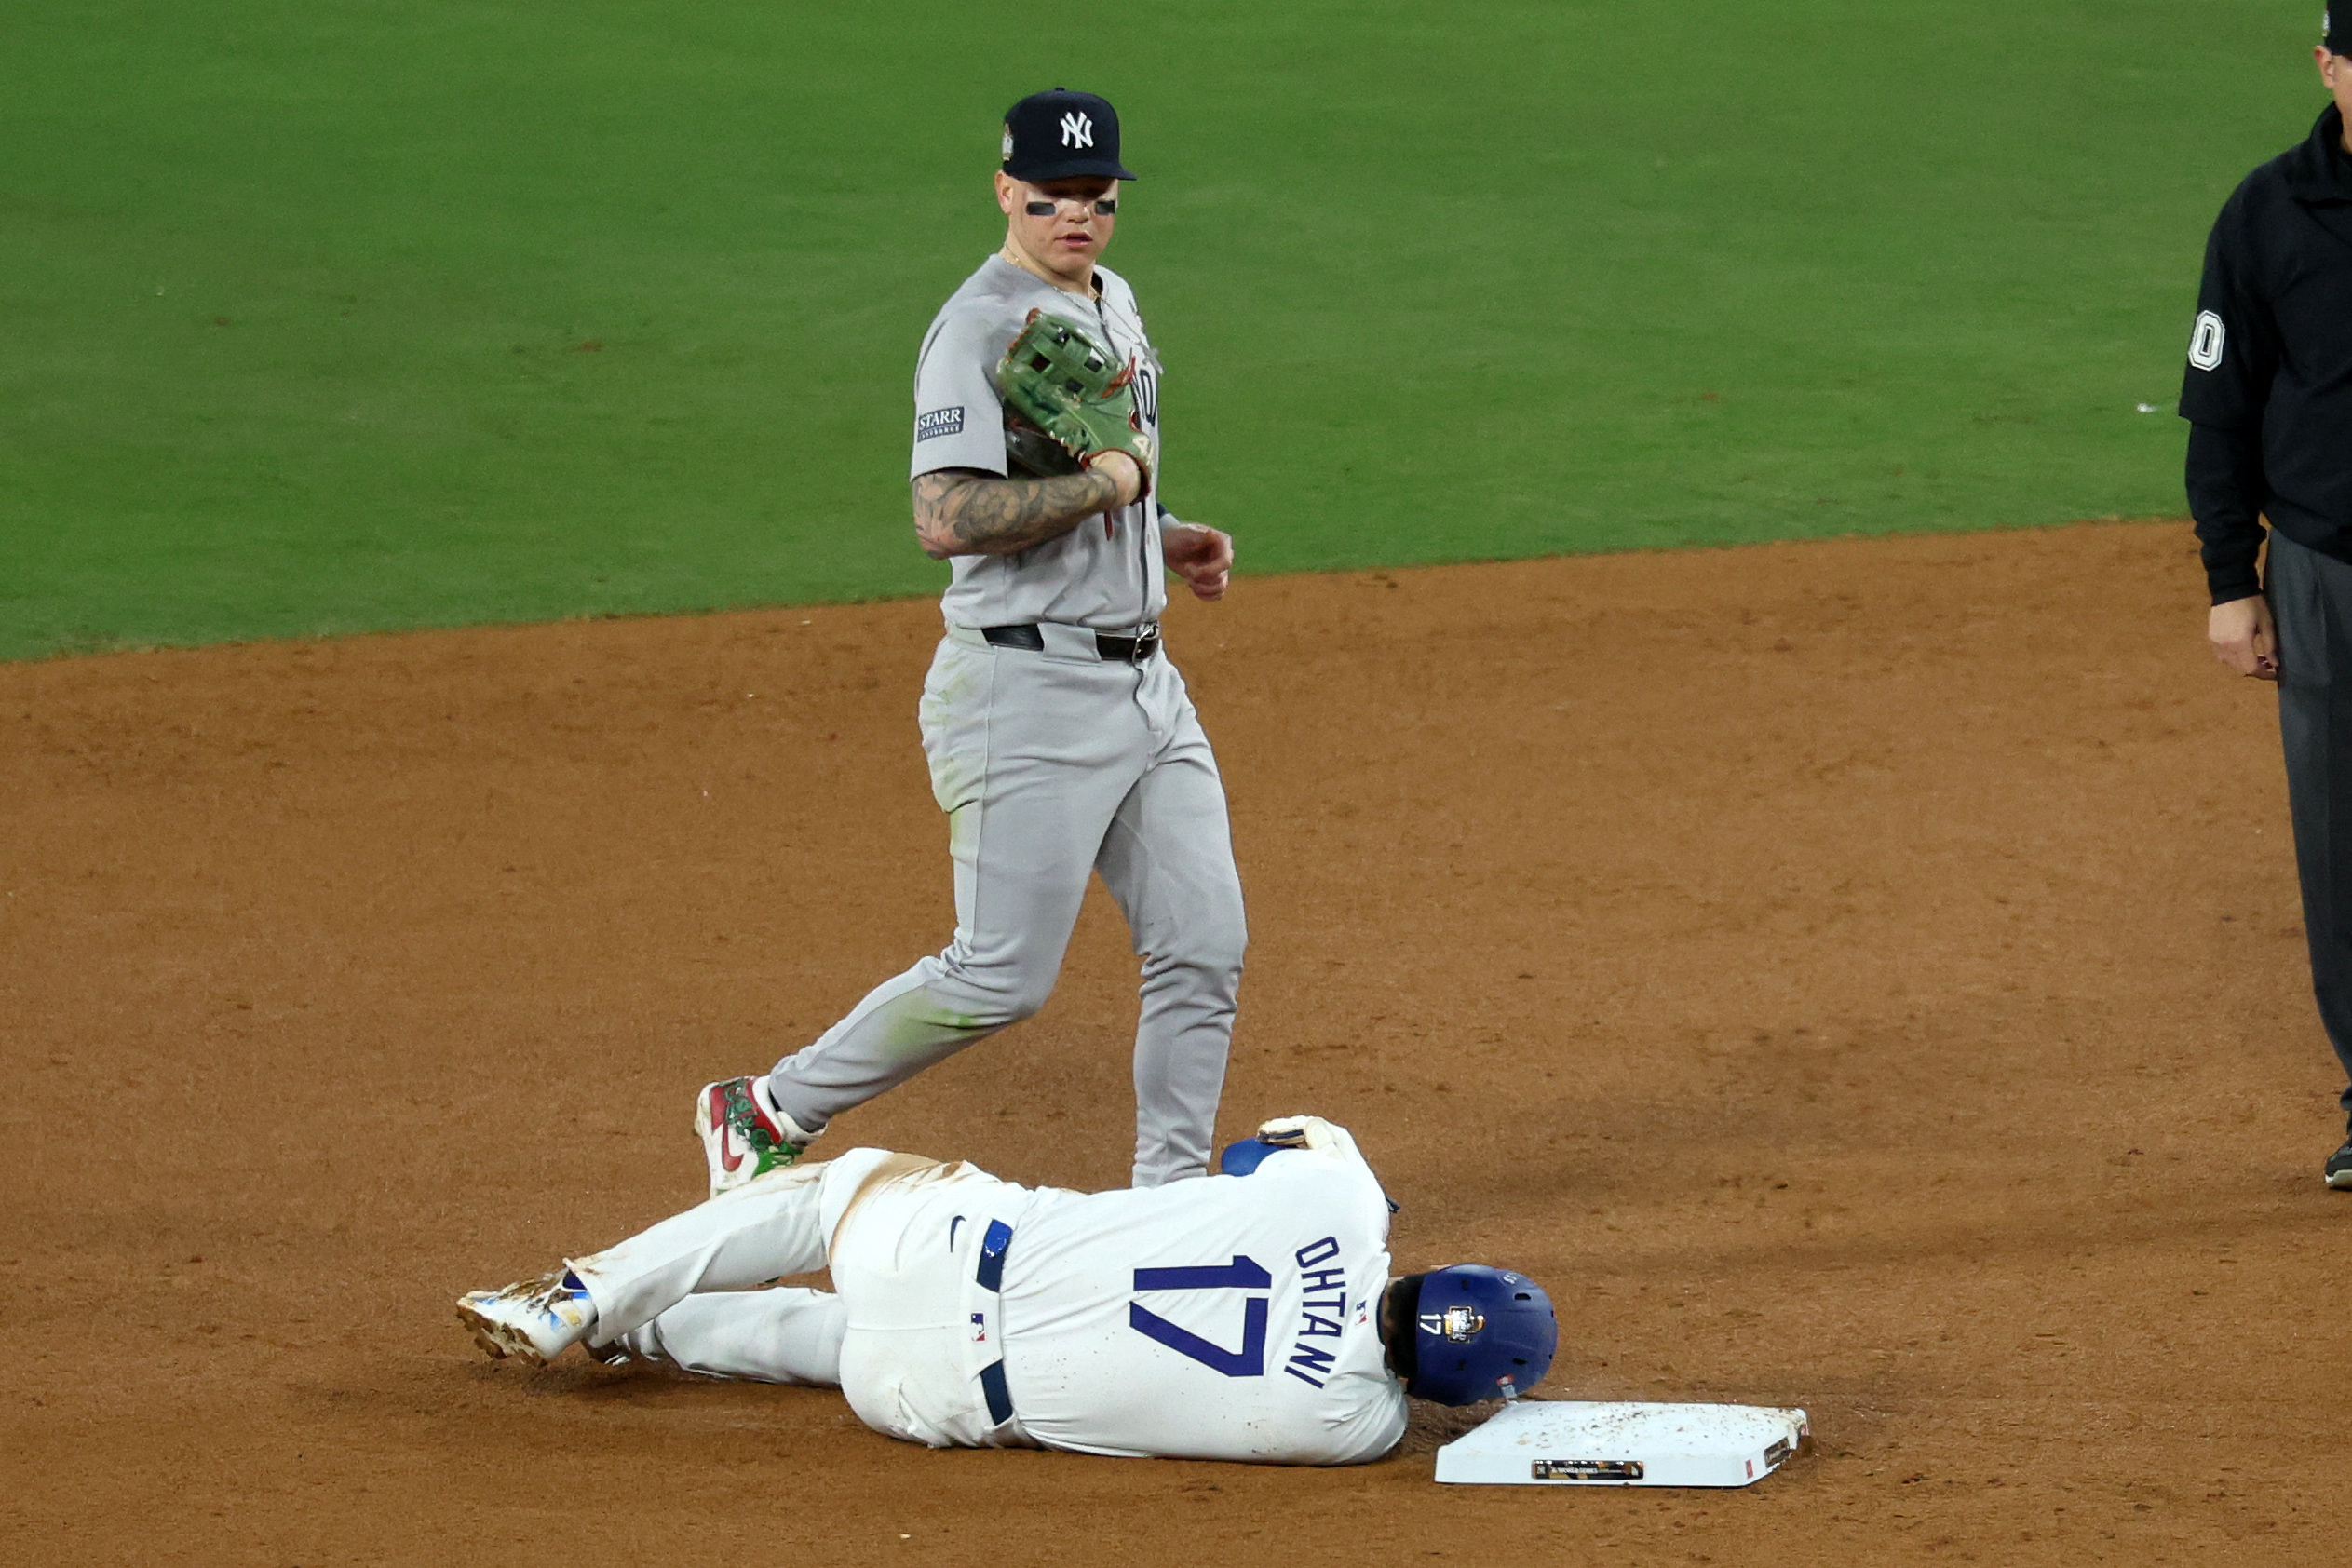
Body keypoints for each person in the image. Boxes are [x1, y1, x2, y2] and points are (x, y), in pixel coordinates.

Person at [694, 87, 1247, 1196]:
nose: (1076, 219)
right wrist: (1104, 489)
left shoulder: (1113, 300)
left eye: (1096, 199)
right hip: (1021, 688)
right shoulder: (976, 328)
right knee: (1000, 976)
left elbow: (1105, 471)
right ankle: (766, 1108)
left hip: (1146, 686)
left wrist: (1161, 532)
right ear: (1005, 190)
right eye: (1050, 200)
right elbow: (942, 518)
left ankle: (1169, 1204)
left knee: (1203, 947)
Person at [456, 1116, 1558, 1466]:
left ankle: (583, 1294)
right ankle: (650, 1337)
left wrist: (1357, 1217)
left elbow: (1240, 1157)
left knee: (823, 1193)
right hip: (926, 1398)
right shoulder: (1356, 1431)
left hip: (945, 1245)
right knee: (841, 1340)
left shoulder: (1341, 1195)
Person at [2184, 21, 2352, 1189]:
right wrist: (2230, 584)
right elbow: (2220, 409)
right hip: (2321, 573)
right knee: (2343, 853)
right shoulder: (2268, 212)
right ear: (2329, 62)